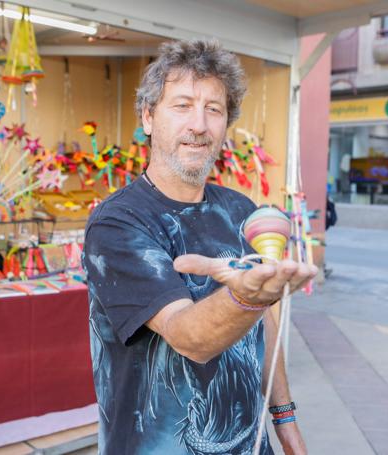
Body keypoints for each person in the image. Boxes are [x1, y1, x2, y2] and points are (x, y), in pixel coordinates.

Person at [83, 39, 317, 455]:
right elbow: (189, 337)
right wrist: (246, 297)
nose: (199, 124)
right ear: (148, 117)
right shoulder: (118, 224)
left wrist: (286, 424)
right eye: (182, 105)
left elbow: (263, 329)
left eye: (214, 109)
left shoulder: (240, 210)